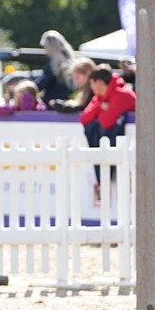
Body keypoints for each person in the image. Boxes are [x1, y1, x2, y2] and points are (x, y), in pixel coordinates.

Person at [80, 64, 136, 201]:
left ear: (98, 83)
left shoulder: (123, 94)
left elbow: (106, 122)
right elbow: (84, 118)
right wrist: (101, 106)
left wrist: (100, 111)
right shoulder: (101, 98)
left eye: (92, 84)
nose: (91, 88)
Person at [35, 30, 76, 103]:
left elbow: (42, 84)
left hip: (50, 103)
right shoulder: (69, 61)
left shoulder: (52, 65)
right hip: (65, 101)